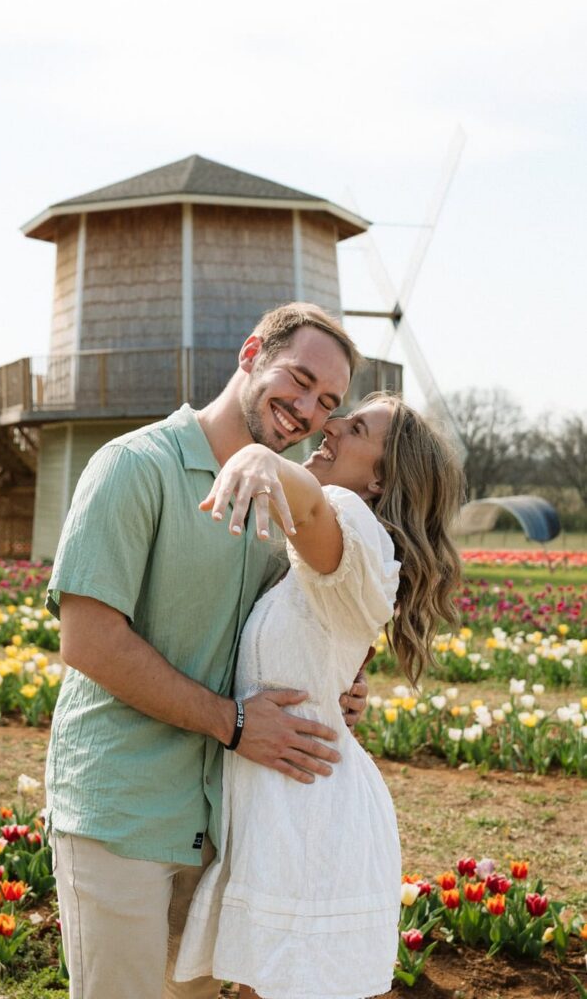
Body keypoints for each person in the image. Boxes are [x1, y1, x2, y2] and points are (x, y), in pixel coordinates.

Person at [45, 303, 371, 999]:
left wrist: (332, 684)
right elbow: (89, 639)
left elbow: (273, 638)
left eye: (329, 402)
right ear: (252, 352)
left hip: (225, 821)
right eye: (299, 379)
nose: (307, 409)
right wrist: (237, 723)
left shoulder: (283, 508)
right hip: (121, 810)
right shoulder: (135, 467)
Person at [174, 393, 464, 999]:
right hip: (286, 815)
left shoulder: (352, 524)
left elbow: (308, 502)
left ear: (382, 477)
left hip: (311, 831)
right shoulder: (332, 552)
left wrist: (260, 455)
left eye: (355, 427)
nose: (329, 425)